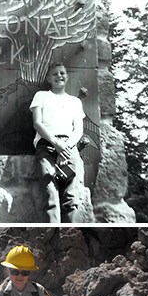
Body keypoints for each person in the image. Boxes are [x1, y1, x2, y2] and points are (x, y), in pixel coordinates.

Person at [29, 61, 86, 223]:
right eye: (54, 74)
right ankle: (52, 233)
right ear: (48, 78)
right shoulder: (41, 96)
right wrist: (55, 143)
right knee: (50, 194)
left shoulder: (75, 102)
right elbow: (37, 123)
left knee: (71, 197)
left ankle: (70, 235)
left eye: (62, 73)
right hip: (47, 145)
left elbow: (78, 130)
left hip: (69, 147)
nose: (59, 76)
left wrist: (65, 149)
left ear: (67, 77)